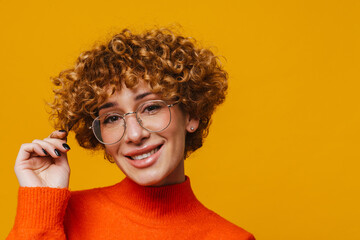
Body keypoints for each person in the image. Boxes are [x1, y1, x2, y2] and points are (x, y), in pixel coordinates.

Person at [7, 28, 255, 239]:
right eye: (112, 118)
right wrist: (41, 200)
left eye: (151, 108)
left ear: (191, 114)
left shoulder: (231, 237)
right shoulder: (61, 216)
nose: (134, 135)